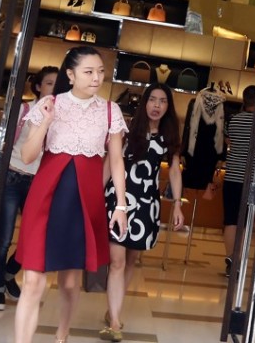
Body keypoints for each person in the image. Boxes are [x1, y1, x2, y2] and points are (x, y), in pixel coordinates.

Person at [13, 46, 128, 343]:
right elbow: (27, 156)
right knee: (33, 279)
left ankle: (61, 337)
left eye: (100, 71)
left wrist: (121, 205)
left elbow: (116, 161)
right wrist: (47, 121)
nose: (96, 78)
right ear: (70, 74)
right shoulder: (49, 104)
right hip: (46, 195)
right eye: (89, 72)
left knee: (69, 281)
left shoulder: (109, 110)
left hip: (84, 199)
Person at [100, 82, 184, 341]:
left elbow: (174, 170)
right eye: (152, 99)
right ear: (144, 102)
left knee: (131, 261)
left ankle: (113, 308)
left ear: (168, 107)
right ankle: (114, 321)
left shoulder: (169, 138)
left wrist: (178, 203)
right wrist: (96, 194)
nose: (156, 105)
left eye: (162, 101)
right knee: (117, 261)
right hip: (119, 199)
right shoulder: (125, 130)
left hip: (147, 204)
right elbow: (110, 163)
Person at [0, 66, 58, 311]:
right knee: (4, 237)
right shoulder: (25, 110)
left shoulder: (60, 118)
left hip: (38, 181)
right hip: (12, 176)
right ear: (38, 86)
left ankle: (9, 272)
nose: (54, 88)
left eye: (58, 84)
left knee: (34, 236)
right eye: (49, 83)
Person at [221, 85, 255, 276]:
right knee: (245, 222)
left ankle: (230, 258)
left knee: (231, 220)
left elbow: (228, 142)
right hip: (252, 179)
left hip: (232, 176)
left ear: (244, 100)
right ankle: (239, 260)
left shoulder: (233, 120)